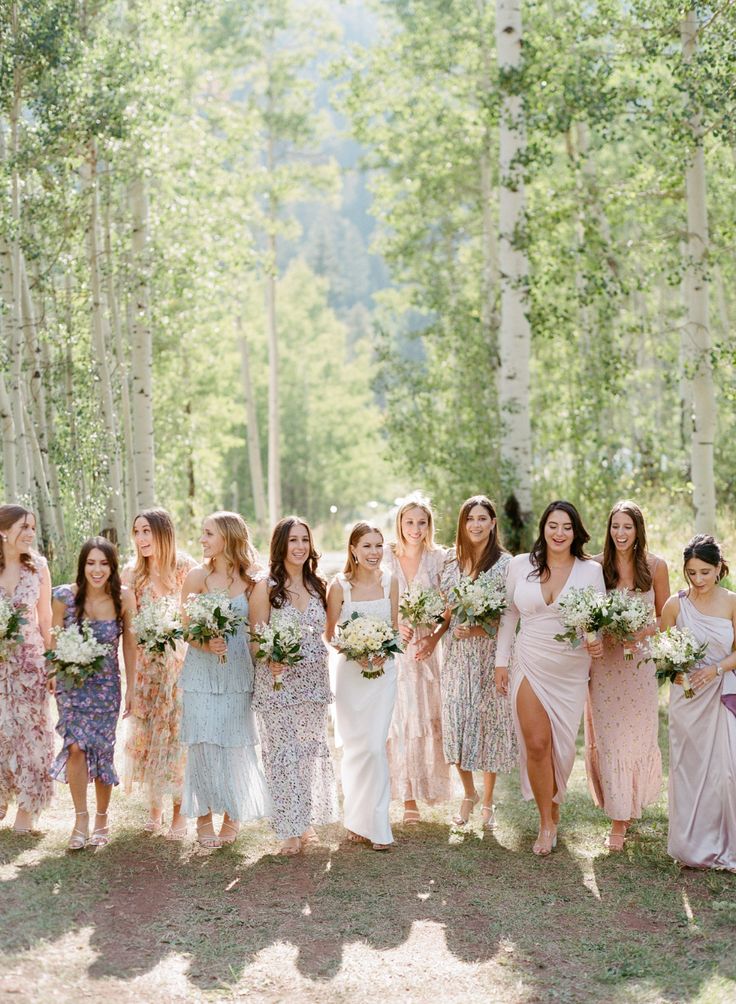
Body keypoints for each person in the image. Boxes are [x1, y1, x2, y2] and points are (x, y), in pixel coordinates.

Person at [495, 501, 605, 856]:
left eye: (567, 527)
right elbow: (510, 615)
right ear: (543, 528)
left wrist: (597, 639)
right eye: (553, 525)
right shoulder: (519, 564)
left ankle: (554, 806)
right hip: (528, 659)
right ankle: (546, 822)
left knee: (561, 748)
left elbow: (598, 618)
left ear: (576, 532)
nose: (559, 533)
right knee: (537, 743)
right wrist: (501, 662)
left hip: (570, 668)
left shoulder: (590, 570)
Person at [422, 496, 517, 830]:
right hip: (457, 655)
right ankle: (468, 793)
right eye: (469, 519)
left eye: (482, 518)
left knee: (489, 723)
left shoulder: (506, 565)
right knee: (456, 721)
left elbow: (509, 615)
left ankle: (489, 801)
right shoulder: (451, 561)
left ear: (493, 523)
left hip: (490, 655)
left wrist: (479, 627)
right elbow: (446, 611)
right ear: (462, 524)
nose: (476, 524)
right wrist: (434, 635)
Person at [179, 511, 271, 849]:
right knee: (202, 743)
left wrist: (271, 663)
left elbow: (256, 634)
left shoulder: (253, 582)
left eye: (208, 534)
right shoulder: (196, 577)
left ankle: (232, 816)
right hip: (201, 674)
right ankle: (203, 817)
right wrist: (206, 642)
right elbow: (186, 628)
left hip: (236, 673)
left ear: (228, 538)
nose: (202, 539)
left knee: (233, 744)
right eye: (203, 533)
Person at [249, 516, 338, 855]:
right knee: (283, 753)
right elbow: (256, 640)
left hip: (314, 680)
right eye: (293, 541)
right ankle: (288, 827)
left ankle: (306, 820)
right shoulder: (266, 586)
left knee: (308, 752)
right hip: (279, 681)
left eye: (304, 540)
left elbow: (330, 633)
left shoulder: (319, 586)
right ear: (281, 546)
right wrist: (270, 658)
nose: (300, 546)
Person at [585, 500, 669, 850]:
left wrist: (640, 632)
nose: (620, 533)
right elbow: (584, 615)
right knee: (609, 738)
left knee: (635, 735)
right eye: (615, 527)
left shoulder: (656, 566)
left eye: (627, 527)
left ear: (638, 531)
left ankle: (628, 807)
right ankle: (618, 822)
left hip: (638, 666)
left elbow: (667, 618)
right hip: (604, 665)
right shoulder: (595, 567)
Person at [50, 537, 137, 849]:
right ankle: (80, 818)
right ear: (82, 565)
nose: (97, 569)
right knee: (75, 747)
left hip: (106, 687)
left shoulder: (124, 598)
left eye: (104, 563)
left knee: (101, 749)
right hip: (71, 685)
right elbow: (54, 640)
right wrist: (53, 672)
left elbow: (130, 644)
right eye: (91, 563)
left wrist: (133, 687)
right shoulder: (63, 597)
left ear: (112, 567)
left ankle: (102, 816)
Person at [660, 534, 736, 871]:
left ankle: (726, 842)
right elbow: (662, 655)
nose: (698, 580)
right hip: (687, 700)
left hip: (722, 694)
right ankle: (691, 845)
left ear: (719, 568)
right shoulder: (674, 606)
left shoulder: (732, 602)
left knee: (727, 772)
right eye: (692, 573)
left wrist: (717, 668)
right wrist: (674, 670)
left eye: (705, 572)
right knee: (688, 770)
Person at [122, 508, 196, 837]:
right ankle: (154, 811)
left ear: (163, 533)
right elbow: (130, 626)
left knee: (177, 737)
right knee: (150, 735)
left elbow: (193, 617)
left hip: (179, 665)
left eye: (147, 531)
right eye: (137, 532)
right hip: (146, 668)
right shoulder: (132, 574)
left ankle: (180, 813)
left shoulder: (185, 567)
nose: (141, 539)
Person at [326, 522, 399, 851]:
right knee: (356, 749)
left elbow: (394, 630)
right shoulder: (340, 585)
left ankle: (379, 824)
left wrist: (381, 652)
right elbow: (330, 635)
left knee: (375, 746)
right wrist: (356, 651)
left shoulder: (390, 582)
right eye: (367, 546)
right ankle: (356, 819)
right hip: (352, 676)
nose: (374, 552)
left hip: (384, 674)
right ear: (353, 549)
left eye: (379, 545)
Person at [383, 497, 451, 823]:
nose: (415, 529)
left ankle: (425, 788)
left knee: (423, 717)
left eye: (421, 522)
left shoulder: (438, 559)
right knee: (399, 719)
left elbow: (449, 609)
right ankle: (405, 797)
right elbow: (369, 596)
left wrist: (433, 635)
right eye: (409, 522)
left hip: (424, 648)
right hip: (393, 648)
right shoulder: (384, 556)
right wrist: (395, 624)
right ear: (399, 523)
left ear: (429, 525)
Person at [0, 505, 54, 834]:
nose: (31, 534)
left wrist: (52, 662)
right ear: (3, 531)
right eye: (24, 527)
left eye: (33, 527)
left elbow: (46, 618)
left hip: (29, 662)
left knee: (31, 733)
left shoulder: (39, 567)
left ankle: (28, 805)